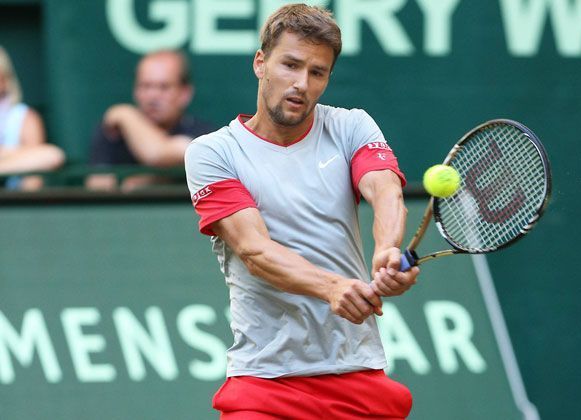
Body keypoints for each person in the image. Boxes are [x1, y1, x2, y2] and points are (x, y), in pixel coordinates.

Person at [185, 4, 419, 419]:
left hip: (356, 374)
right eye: (290, 65)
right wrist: (332, 287)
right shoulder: (213, 152)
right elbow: (255, 251)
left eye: (317, 72)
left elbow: (384, 190)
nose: (301, 84)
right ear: (261, 63)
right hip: (264, 384)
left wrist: (387, 248)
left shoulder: (352, 127)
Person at [86, 50, 213, 191]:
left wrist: (125, 114)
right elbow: (97, 187)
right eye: (145, 86)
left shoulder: (203, 136)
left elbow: (158, 154)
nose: (153, 96)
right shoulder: (114, 134)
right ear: (135, 91)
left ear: (184, 94)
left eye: (164, 87)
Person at [0, 46, 65, 190]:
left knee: (50, 155)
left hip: (12, 204)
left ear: (5, 79)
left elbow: (46, 161)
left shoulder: (24, 117)